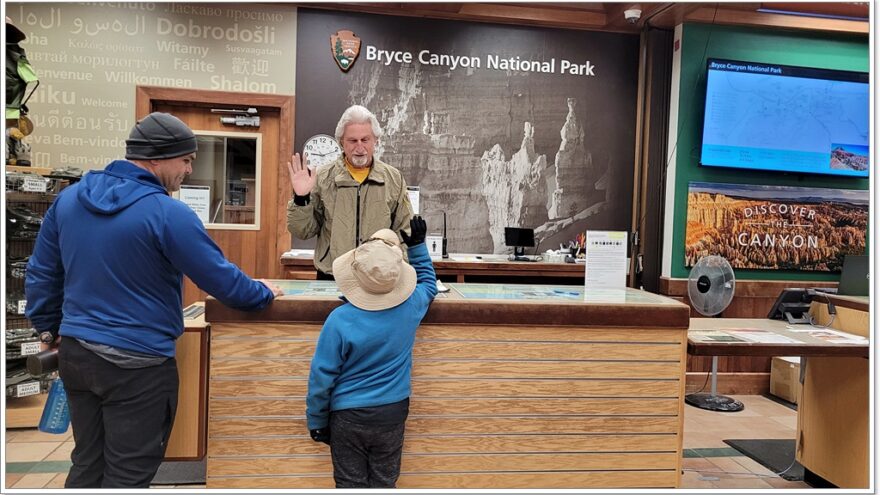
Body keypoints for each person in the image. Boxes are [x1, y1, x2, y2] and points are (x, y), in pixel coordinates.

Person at [25, 112, 283, 488]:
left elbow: (43, 273)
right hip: (138, 367)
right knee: (128, 473)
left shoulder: (68, 201)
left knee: (87, 462)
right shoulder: (167, 213)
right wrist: (263, 292)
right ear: (157, 158)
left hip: (77, 356)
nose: (189, 170)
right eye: (186, 160)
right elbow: (223, 281)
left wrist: (49, 330)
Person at [306, 216, 436, 488]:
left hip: (347, 417)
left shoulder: (339, 320)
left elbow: (321, 377)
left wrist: (317, 420)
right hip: (393, 413)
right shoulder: (411, 308)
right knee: (384, 483)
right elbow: (428, 284)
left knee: (349, 484)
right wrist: (418, 247)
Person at [286, 104, 414, 278]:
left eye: (365, 140)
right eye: (352, 141)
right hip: (332, 275)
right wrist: (301, 198)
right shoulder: (323, 177)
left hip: (377, 277)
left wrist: (396, 266)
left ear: (375, 141)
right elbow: (303, 231)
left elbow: (405, 230)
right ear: (341, 143)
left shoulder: (394, 178)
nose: (359, 147)